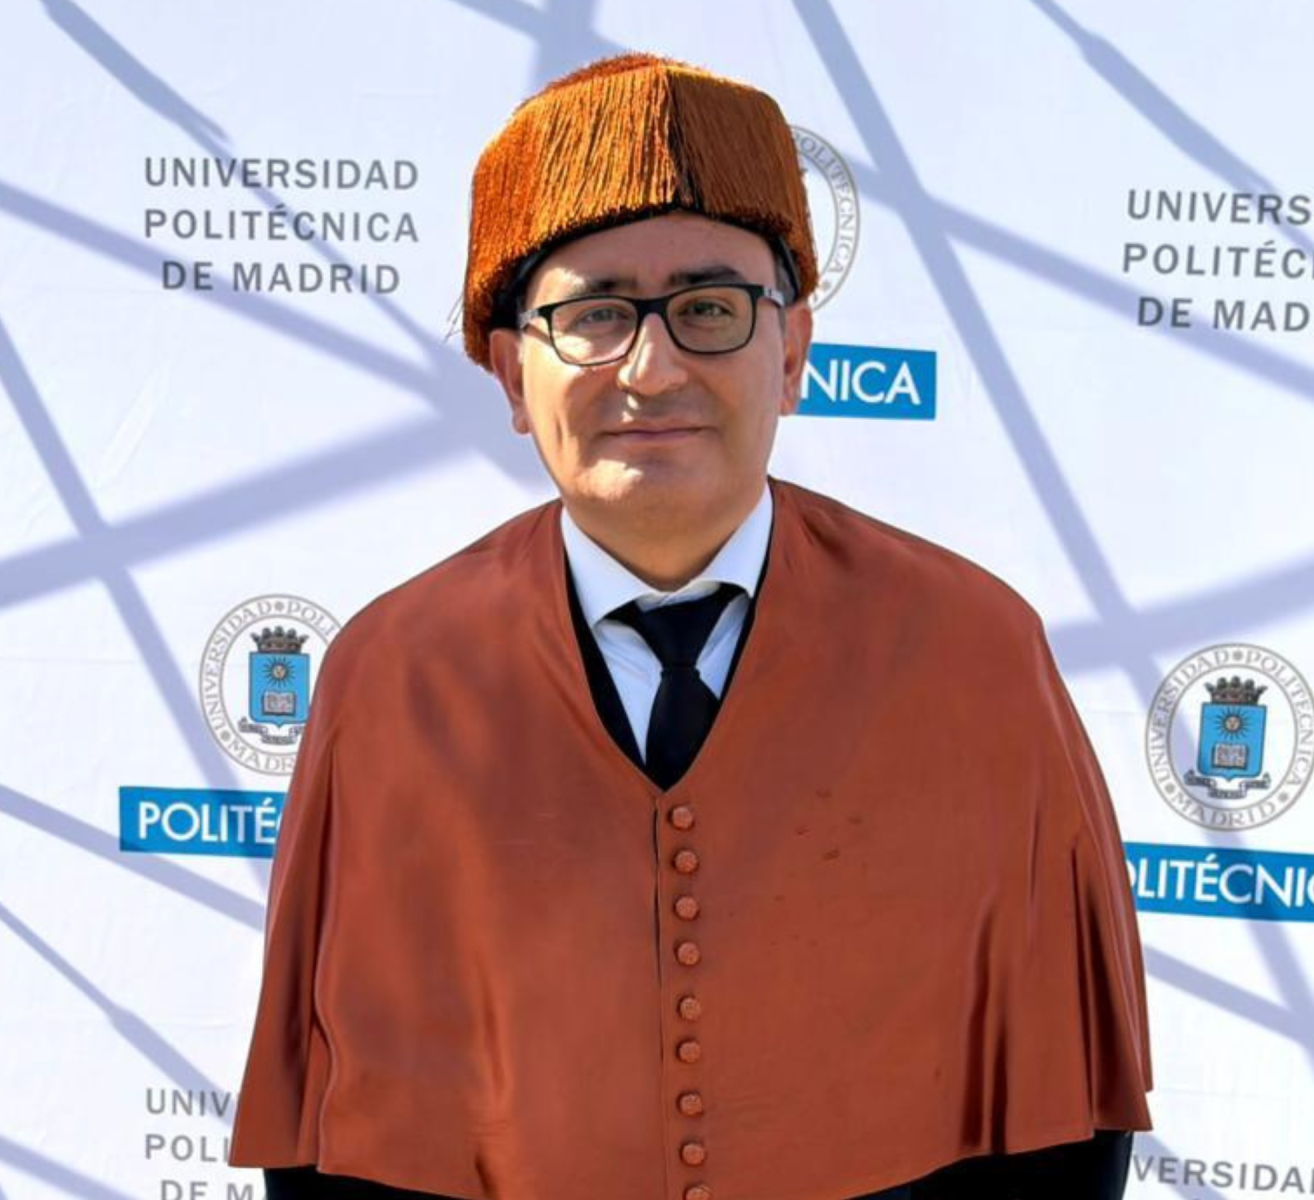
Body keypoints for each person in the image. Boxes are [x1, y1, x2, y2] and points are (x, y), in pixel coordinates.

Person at [230, 53, 1152, 1200]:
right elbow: (331, 1141)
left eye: (709, 309)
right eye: (594, 315)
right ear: (512, 375)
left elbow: (1064, 1119)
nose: (653, 369)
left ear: (793, 352)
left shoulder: (973, 654)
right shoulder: (395, 679)